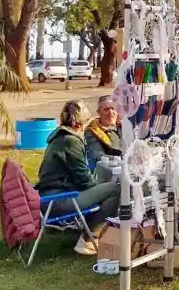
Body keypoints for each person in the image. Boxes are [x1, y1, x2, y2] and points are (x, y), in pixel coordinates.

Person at [36, 100, 120, 255]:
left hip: (51, 195)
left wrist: (98, 182)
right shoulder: (70, 141)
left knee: (105, 178)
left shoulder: (60, 136)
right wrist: (99, 183)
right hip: (58, 200)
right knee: (116, 188)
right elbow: (85, 182)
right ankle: (89, 238)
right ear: (79, 121)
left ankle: (92, 227)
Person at [84, 95, 122, 182]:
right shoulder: (92, 131)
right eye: (106, 109)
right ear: (99, 112)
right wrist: (123, 158)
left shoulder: (123, 125)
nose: (111, 112)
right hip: (109, 174)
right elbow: (99, 156)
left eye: (113, 108)